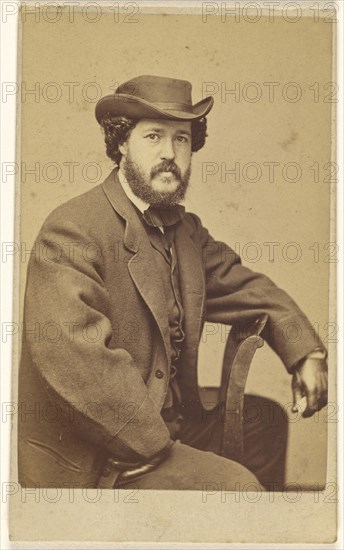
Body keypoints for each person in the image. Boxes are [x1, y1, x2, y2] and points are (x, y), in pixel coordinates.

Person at [18, 75, 328, 491]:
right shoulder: (72, 230)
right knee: (237, 488)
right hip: (103, 448)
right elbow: (78, 364)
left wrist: (306, 352)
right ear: (122, 143)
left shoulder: (185, 233)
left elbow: (249, 289)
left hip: (167, 418)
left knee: (266, 424)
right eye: (153, 137)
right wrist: (158, 444)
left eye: (181, 139)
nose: (169, 154)